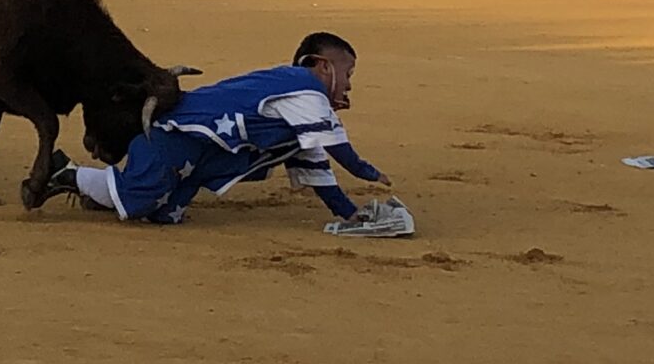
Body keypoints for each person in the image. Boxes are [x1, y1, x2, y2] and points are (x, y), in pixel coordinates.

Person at [50, 32, 411, 237]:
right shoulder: (305, 88)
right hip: (174, 137)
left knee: (164, 216)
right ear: (322, 65)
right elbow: (334, 145)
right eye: (347, 74)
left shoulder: (297, 102)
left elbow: (315, 164)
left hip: (196, 152)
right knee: (140, 198)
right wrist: (365, 170)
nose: (348, 85)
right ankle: (67, 173)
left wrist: (347, 213)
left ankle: (99, 192)